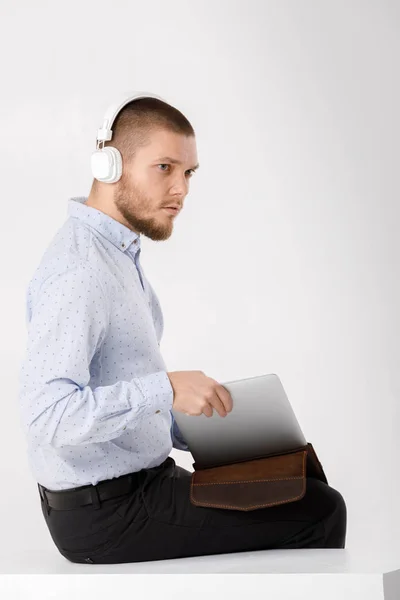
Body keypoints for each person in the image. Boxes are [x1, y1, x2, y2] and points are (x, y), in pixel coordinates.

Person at [17, 92, 347, 565]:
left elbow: (127, 391)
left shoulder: (117, 256)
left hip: (143, 482)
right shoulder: (80, 271)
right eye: (165, 168)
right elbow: (47, 417)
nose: (182, 190)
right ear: (110, 166)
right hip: (105, 514)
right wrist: (164, 390)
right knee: (320, 511)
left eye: (188, 173)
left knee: (295, 480)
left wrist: (212, 428)